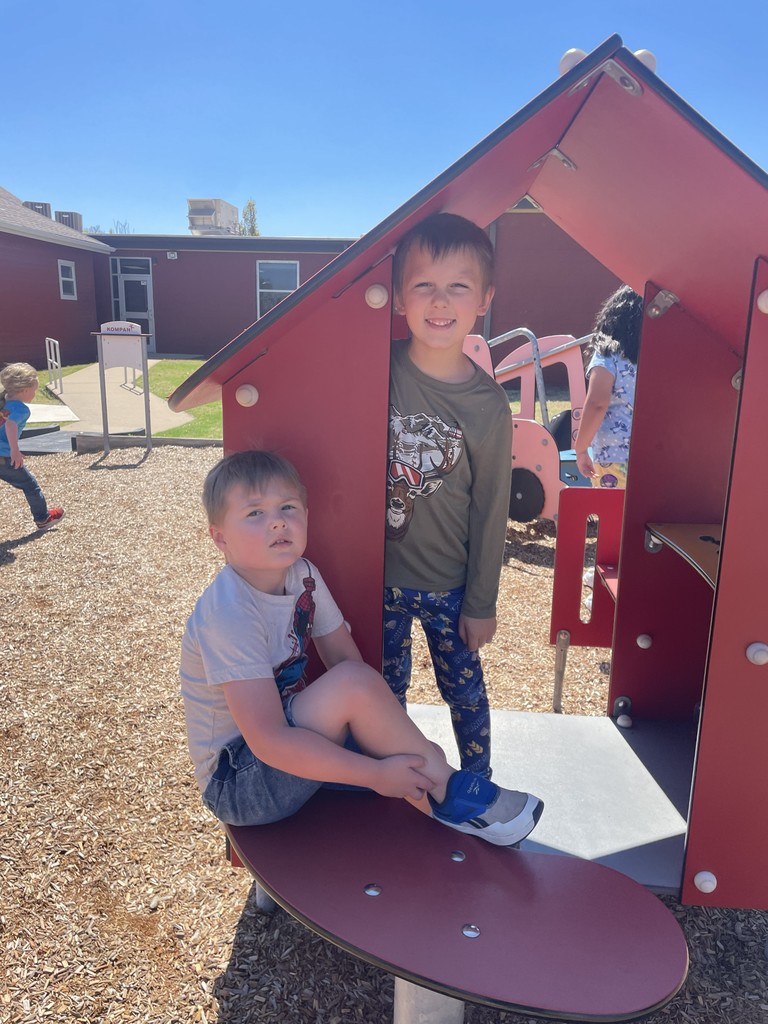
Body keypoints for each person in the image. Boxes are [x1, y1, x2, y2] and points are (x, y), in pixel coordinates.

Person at [180, 450, 543, 847]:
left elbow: (347, 665)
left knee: (385, 720)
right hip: (241, 783)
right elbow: (268, 739)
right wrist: (373, 773)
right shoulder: (229, 612)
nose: (278, 521)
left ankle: (442, 786)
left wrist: (396, 742)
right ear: (220, 537)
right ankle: (452, 796)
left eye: (287, 507)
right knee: (370, 713)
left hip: (286, 748)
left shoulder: (303, 577)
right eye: (255, 513)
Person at [383, 213, 512, 778]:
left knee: (464, 691)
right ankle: (391, 777)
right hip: (377, 578)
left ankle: (478, 780)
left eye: (458, 285)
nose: (440, 300)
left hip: (449, 588)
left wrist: (482, 602)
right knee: (384, 694)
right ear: (397, 299)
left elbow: (491, 510)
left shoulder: (488, 407)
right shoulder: (375, 371)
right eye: (423, 285)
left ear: (483, 298)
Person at [574, 286, 644, 489]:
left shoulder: (608, 353)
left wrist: (580, 448)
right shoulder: (655, 356)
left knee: (613, 515)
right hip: (653, 455)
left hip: (614, 455)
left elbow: (597, 402)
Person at [0, 362, 64, 530]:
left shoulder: (2, 401)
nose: (34, 394)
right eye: (34, 390)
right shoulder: (21, 409)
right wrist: (15, 451)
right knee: (30, 485)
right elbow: (10, 425)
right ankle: (43, 519)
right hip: (4, 457)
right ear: (25, 390)